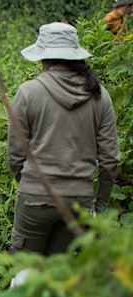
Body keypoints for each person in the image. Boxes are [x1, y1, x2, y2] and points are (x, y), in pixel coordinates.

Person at [8, 22, 119, 256]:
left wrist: (30, 186)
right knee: (61, 275)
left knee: (25, 271)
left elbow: (16, 155)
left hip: (36, 198)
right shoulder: (100, 95)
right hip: (79, 200)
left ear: (43, 58)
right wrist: (99, 204)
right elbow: (110, 161)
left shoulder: (28, 92)